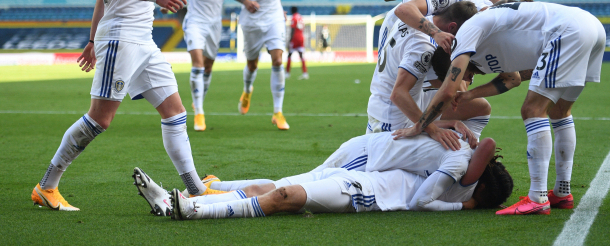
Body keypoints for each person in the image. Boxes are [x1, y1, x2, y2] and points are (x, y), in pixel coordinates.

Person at [31, 0, 216, 212]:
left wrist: (90, 40)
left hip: (143, 42)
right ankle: (47, 185)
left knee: (175, 113)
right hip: (121, 39)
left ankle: (195, 188)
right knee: (99, 120)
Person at [393, 1, 606, 215]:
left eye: (464, 78)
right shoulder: (486, 47)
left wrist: (419, 126)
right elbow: (512, 79)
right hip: (590, 26)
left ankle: (537, 198)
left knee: (532, 110)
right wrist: (469, 95)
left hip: (567, 31)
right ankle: (562, 193)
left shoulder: (464, 36)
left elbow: (447, 92)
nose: (468, 81)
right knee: (560, 112)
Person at [133, 133, 513, 219]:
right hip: (361, 176)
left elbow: (419, 202)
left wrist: (469, 203)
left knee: (285, 196)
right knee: (272, 188)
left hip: (368, 194)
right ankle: (181, 202)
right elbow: (486, 146)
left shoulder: (458, 191)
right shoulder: (459, 183)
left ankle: (194, 210)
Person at [368, 0, 481, 139]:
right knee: (451, 149)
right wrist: (433, 130)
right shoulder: (423, 47)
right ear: (452, 27)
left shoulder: (417, 17)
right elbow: (398, 94)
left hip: (389, 102)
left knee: (479, 107)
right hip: (393, 117)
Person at [162, 0, 238, 131]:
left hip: (215, 24)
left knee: (209, 66)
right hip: (195, 21)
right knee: (198, 64)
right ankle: (199, 114)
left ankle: (198, 102)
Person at [228, 0, 289, 130]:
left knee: (278, 60)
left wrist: (279, 9)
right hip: (252, 20)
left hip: (274, 18)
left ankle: (278, 112)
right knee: (252, 64)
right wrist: (246, 2)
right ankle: (247, 90)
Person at [285, 6, 308, 80]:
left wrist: (290, 40)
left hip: (295, 38)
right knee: (301, 56)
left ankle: (287, 73)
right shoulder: (300, 17)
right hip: (301, 38)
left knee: (289, 55)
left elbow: (293, 30)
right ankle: (305, 73)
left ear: (292, 11)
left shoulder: (293, 18)